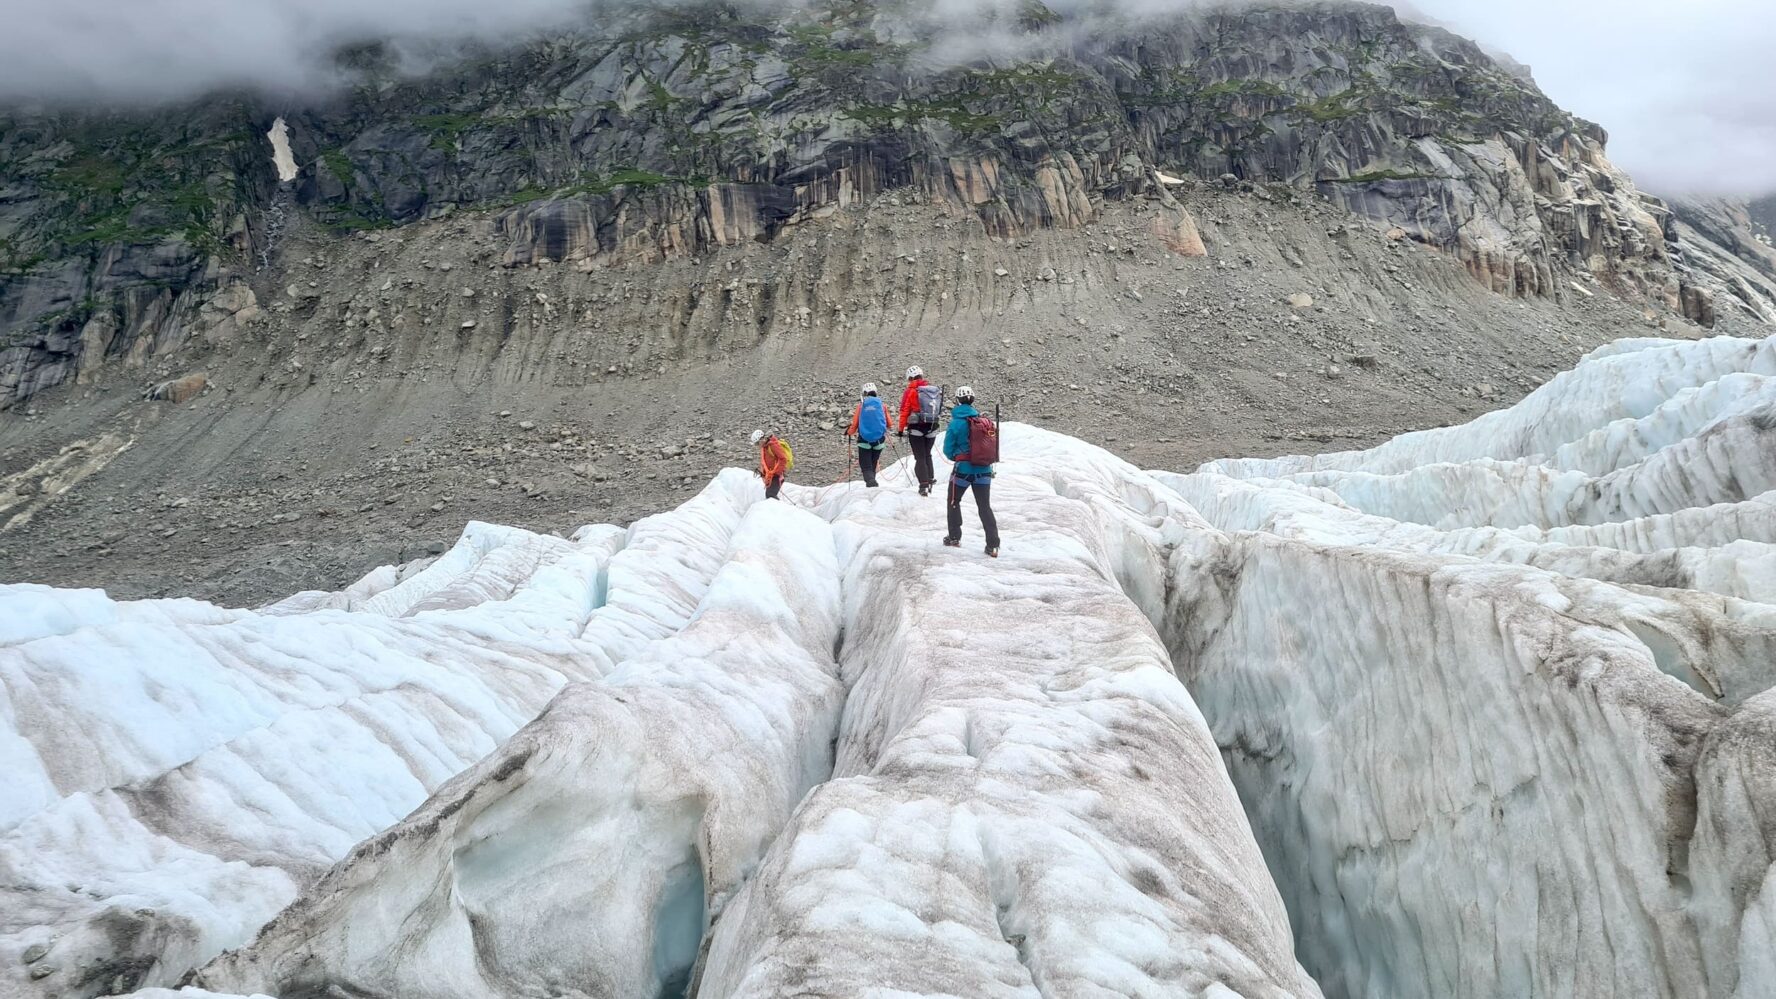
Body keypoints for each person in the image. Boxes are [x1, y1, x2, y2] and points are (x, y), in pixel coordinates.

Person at [941, 385, 999, 557]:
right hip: (984, 470)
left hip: (963, 471)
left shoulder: (956, 423)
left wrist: (957, 457)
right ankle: (993, 545)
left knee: (953, 500)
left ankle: (954, 537)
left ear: (958, 401)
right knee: (984, 506)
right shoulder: (984, 421)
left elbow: (948, 449)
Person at [897, 365, 940, 496]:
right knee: (928, 454)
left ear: (910, 378)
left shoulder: (910, 391)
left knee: (920, 457)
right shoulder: (932, 390)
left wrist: (900, 429)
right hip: (932, 426)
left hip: (916, 428)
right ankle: (930, 479)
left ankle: (923, 485)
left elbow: (904, 411)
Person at [847, 383, 889, 487]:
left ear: (864, 394)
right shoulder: (882, 405)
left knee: (866, 466)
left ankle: (871, 483)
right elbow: (890, 423)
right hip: (879, 440)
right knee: (873, 464)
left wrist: (849, 432)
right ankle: (872, 483)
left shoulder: (861, 406)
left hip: (864, 441)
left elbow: (855, 424)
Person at [751, 429, 792, 499]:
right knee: (770, 495)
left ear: (761, 439)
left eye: (757, 443)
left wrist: (776, 473)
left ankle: (779, 509)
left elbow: (783, 458)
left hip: (776, 475)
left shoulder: (772, 445)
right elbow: (766, 462)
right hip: (771, 476)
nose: (758, 445)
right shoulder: (765, 447)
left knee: (770, 495)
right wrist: (763, 473)